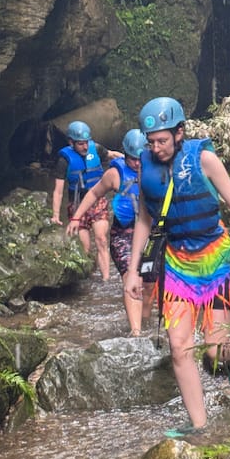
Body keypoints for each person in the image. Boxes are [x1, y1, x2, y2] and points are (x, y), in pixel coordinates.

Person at [124, 96, 230, 438]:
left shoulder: (204, 159)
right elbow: (143, 218)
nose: (156, 148)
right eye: (151, 142)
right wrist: (133, 270)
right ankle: (199, 426)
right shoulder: (146, 166)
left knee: (215, 350)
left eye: (163, 141)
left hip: (218, 260)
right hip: (178, 264)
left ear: (180, 133)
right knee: (179, 346)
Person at [67, 129, 152, 336]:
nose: (137, 163)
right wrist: (76, 217)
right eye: (132, 159)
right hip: (123, 235)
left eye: (140, 159)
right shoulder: (116, 173)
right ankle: (136, 332)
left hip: (151, 235)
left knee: (149, 286)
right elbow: (94, 193)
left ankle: (146, 323)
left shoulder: (156, 170)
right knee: (132, 279)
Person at [51, 120, 121, 281]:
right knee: (86, 248)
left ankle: (105, 279)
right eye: (81, 144)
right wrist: (55, 215)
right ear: (71, 142)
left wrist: (134, 160)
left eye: (86, 143)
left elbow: (112, 154)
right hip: (77, 206)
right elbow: (58, 191)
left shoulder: (95, 149)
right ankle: (88, 280)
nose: (84, 147)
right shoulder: (64, 160)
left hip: (98, 202)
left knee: (102, 239)